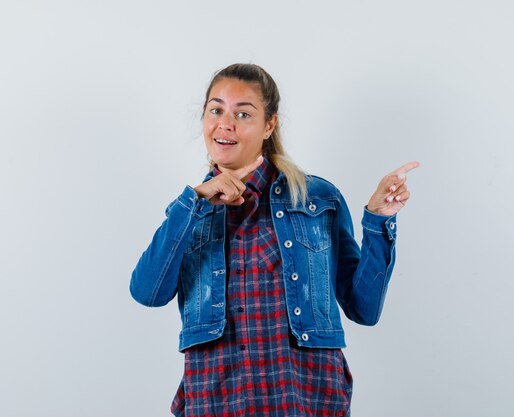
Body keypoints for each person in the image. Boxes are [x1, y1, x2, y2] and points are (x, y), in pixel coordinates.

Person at [130, 63, 419, 417]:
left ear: (269, 125)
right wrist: (193, 201)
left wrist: (378, 221)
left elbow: (364, 308)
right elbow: (147, 292)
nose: (226, 123)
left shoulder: (317, 199)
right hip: (216, 399)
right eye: (216, 110)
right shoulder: (189, 212)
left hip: (305, 398)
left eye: (243, 114)